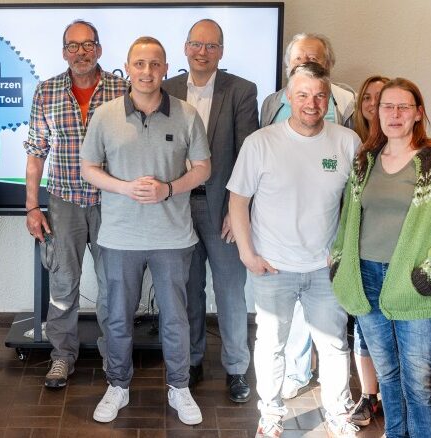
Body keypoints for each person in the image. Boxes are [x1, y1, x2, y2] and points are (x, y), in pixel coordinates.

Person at [82, 36, 210, 425]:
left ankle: (179, 387)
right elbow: (89, 168)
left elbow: (203, 168)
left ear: (166, 69)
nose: (147, 71)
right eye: (139, 64)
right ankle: (117, 385)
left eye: (155, 64)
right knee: (117, 317)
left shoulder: (187, 114)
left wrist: (168, 189)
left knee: (176, 319)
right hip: (119, 237)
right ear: (127, 68)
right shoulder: (104, 115)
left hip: (173, 237)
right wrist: (124, 188)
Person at [331, 78, 431, 438]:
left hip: (413, 281)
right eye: (386, 106)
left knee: (417, 380)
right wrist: (338, 262)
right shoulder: (365, 160)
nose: (394, 113)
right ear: (377, 113)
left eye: (403, 106)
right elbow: (347, 220)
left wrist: (430, 275)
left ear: (418, 113)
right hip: (366, 277)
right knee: (388, 374)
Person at [228, 62, 360, 438]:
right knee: (271, 345)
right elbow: (238, 201)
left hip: (324, 267)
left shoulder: (346, 142)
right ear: (288, 97)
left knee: (333, 345)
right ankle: (270, 414)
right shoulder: (261, 142)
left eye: (319, 96)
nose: (311, 103)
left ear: (329, 100)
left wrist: (343, 253)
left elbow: (355, 203)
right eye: (302, 95)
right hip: (273, 266)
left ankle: (338, 413)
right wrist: (247, 254)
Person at [23, 19, 128, 388]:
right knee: (63, 282)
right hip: (63, 202)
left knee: (113, 284)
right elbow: (36, 152)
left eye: (88, 45)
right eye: (73, 45)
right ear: (64, 51)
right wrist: (32, 207)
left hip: (111, 203)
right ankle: (61, 357)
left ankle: (114, 357)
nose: (81, 52)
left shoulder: (122, 89)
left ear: (99, 49)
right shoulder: (46, 91)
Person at [161, 18, 258, 403]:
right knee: (188, 290)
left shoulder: (241, 90)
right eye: (197, 44)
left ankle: (236, 369)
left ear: (221, 51)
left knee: (231, 291)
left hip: (222, 208)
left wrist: (237, 211)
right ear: (186, 48)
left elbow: (247, 154)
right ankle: (193, 360)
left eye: (212, 46)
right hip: (177, 206)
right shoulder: (167, 89)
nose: (203, 52)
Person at [258, 32, 357, 401]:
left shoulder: (344, 100)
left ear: (328, 64)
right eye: (297, 60)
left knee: (327, 320)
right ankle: (297, 372)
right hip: (281, 227)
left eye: (312, 59)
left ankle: (335, 400)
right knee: (287, 317)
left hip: (326, 223)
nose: (304, 65)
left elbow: (351, 166)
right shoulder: (272, 102)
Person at [344, 74, 390, 426]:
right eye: (367, 99)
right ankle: (368, 396)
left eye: (381, 98)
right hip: (360, 253)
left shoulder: (407, 146)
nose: (373, 105)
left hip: (397, 256)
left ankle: (392, 394)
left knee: (394, 328)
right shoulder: (353, 147)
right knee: (364, 326)